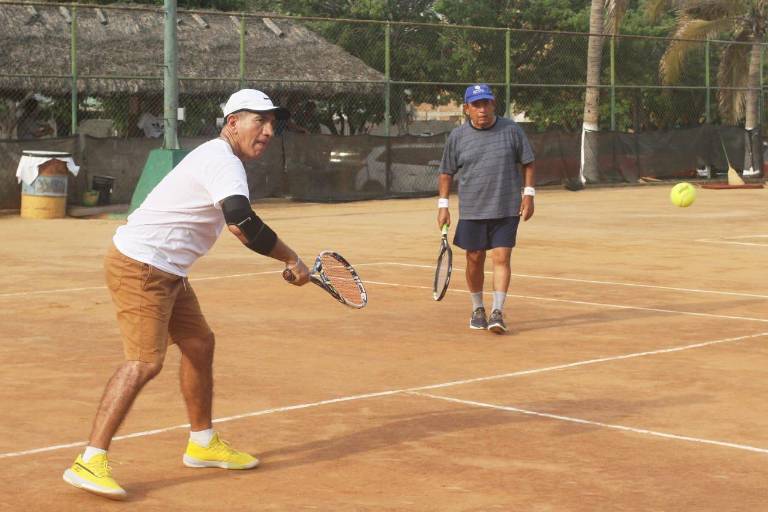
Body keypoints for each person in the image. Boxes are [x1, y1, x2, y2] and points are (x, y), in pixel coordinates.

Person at [63, 89, 310, 500]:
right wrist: (290, 259)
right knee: (144, 362)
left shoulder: (220, 158)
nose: (267, 131)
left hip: (168, 269)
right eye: (259, 121)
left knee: (198, 344)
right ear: (233, 122)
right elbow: (241, 222)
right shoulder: (222, 161)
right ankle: (90, 459)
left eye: (272, 124)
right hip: (142, 265)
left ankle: (202, 442)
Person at [436, 84, 535, 334]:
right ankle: (478, 308)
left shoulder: (511, 130)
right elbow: (446, 173)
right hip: (472, 210)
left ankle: (497, 311)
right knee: (474, 259)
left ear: (494, 105)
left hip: (505, 208)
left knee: (501, 258)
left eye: (486, 104)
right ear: (466, 108)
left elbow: (528, 163)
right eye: (476, 105)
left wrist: (529, 194)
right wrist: (443, 205)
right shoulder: (457, 137)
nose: (482, 110)